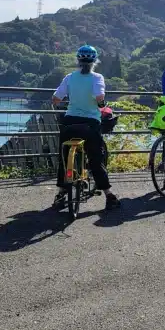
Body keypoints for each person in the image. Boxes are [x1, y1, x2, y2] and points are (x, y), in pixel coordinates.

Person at [52, 45, 119, 211]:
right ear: (95, 61)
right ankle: (109, 195)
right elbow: (99, 98)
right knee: (96, 159)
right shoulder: (97, 77)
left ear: (78, 60)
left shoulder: (69, 77)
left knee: (64, 156)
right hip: (90, 124)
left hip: (69, 122)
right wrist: (102, 106)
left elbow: (55, 99)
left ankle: (61, 193)